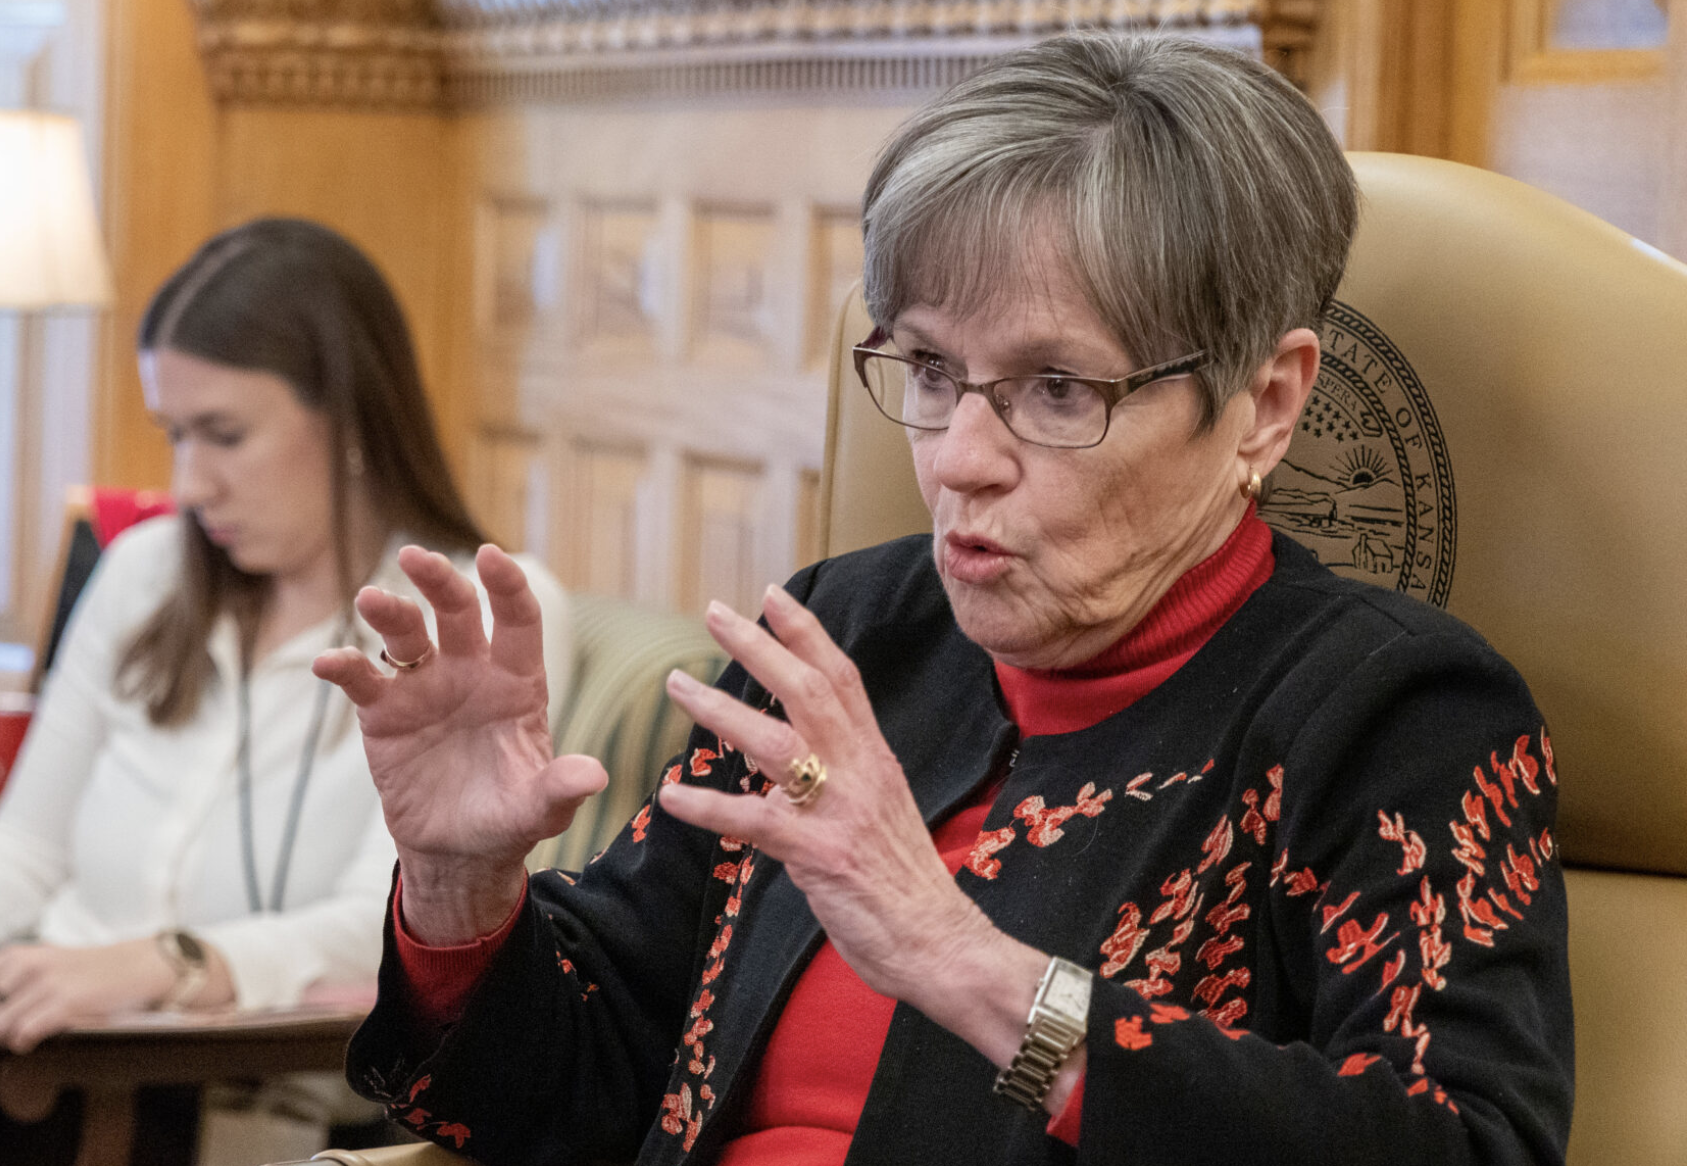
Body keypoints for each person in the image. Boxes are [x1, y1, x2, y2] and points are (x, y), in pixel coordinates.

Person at [319, 33, 1573, 1166]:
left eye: (1058, 389)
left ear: (1266, 406)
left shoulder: (1396, 715)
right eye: (930, 366)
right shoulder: (847, 635)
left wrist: (955, 952)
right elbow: (582, 1087)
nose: (959, 456)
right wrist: (461, 884)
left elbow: (1462, 1143)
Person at [0, 218, 572, 1159]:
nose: (189, 484)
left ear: (350, 418)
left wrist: (175, 965)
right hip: (38, 1050)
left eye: (223, 435)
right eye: (174, 435)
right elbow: (24, 851)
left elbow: (416, 923)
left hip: (209, 1098)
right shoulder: (144, 570)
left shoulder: (470, 616)